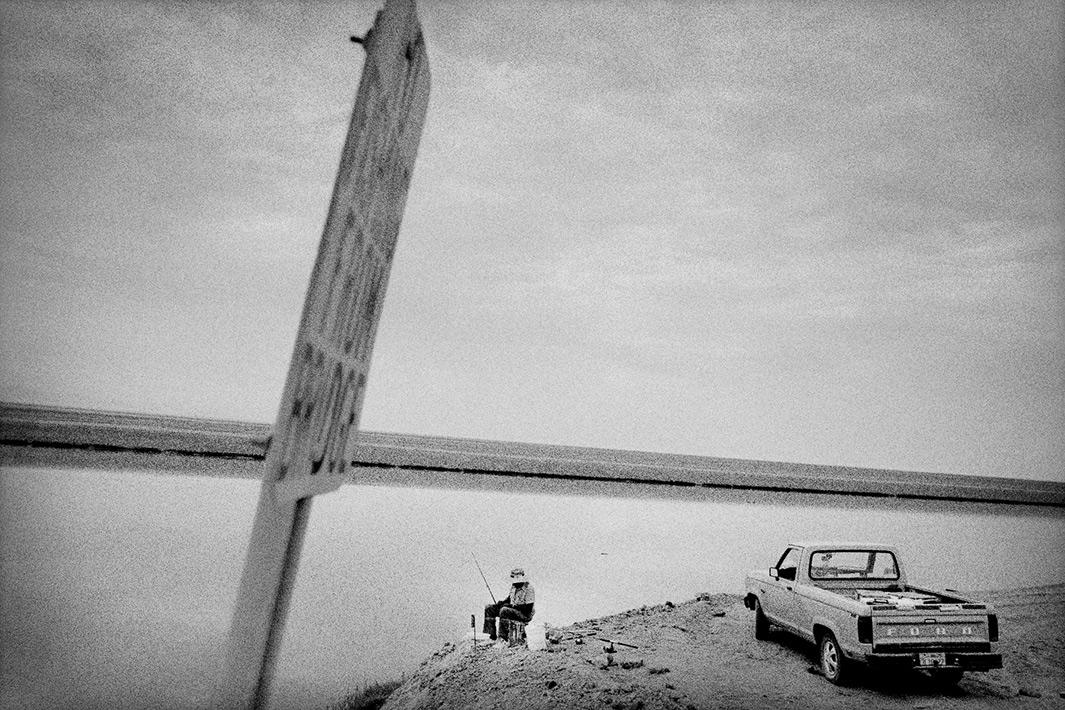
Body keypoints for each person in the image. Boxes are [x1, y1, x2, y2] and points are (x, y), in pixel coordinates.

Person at [483, 567, 535, 641]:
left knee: (504, 610)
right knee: (489, 608)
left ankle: (503, 637)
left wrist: (511, 606)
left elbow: (528, 608)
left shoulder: (529, 588)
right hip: (512, 610)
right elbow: (509, 599)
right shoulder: (514, 586)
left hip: (524, 614)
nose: (515, 584)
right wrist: (501, 603)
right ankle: (491, 635)